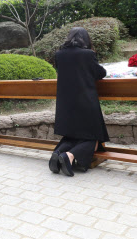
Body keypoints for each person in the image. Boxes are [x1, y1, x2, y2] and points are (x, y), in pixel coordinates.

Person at [50, 27, 108, 177]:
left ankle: (57, 153)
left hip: (65, 103)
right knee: (94, 136)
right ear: (86, 39)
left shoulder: (59, 54)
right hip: (85, 101)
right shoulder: (88, 54)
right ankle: (68, 156)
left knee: (72, 136)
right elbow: (100, 73)